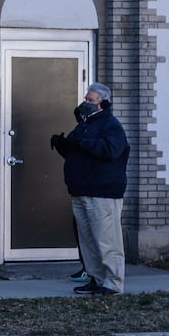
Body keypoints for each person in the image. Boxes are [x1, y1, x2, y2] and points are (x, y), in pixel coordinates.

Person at [51, 82, 130, 296]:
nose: (85, 103)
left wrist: (83, 143)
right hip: (81, 190)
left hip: (102, 192)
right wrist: (63, 145)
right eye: (85, 99)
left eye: (90, 100)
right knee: (88, 242)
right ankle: (96, 278)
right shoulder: (84, 125)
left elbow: (111, 149)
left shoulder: (110, 125)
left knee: (106, 240)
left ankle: (113, 282)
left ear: (102, 104)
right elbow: (77, 151)